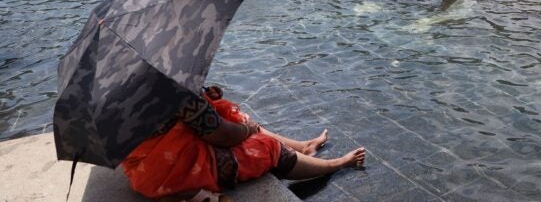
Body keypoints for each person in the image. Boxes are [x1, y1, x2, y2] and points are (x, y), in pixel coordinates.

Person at [122, 85, 365, 202]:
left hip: (144, 172)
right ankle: (335, 164)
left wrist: (208, 97)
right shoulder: (175, 88)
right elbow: (220, 135)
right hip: (176, 172)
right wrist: (247, 129)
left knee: (234, 118)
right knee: (267, 147)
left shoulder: (124, 88)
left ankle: (304, 148)